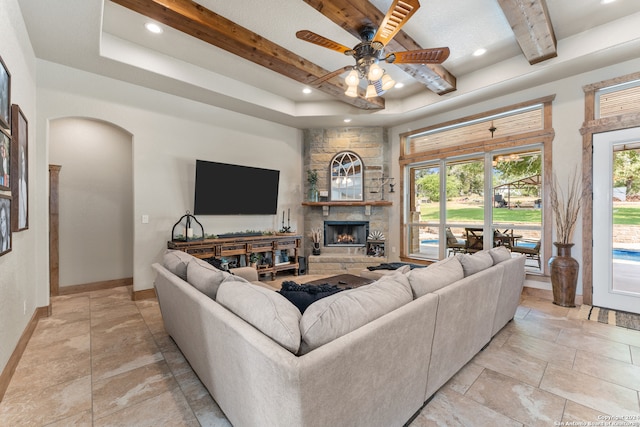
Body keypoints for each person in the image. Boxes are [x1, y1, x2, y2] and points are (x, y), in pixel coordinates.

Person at [18, 145, 27, 228]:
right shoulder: (17, 183)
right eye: (22, 160)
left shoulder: (24, 183)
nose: (23, 164)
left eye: (23, 161)